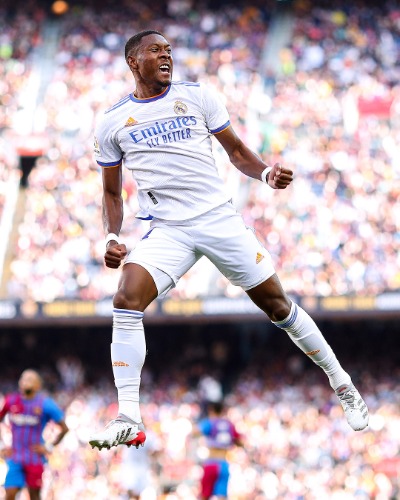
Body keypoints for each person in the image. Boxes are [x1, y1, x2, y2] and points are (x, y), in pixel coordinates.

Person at [89, 30, 369, 450]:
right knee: (126, 300)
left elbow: (237, 152)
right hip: (168, 229)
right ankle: (128, 414)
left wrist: (266, 174)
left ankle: (342, 383)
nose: (166, 56)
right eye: (156, 50)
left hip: (218, 220)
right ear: (134, 61)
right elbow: (111, 193)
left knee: (278, 307)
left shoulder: (198, 97)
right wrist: (111, 235)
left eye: (169, 50)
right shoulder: (112, 122)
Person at [0, 369, 69, 500]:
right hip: (15, 456)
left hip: (35, 458)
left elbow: (64, 428)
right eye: (23, 379)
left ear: (38, 385)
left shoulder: (45, 404)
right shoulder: (11, 401)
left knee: (34, 496)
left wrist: (49, 447)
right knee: (9, 494)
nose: (25, 382)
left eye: (30, 380)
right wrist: (1, 445)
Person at [193, 401, 243, 500]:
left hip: (212, 463)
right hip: (224, 464)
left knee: (205, 495)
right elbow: (240, 442)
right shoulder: (229, 425)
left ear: (211, 410)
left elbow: (195, 432)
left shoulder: (210, 423)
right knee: (222, 496)